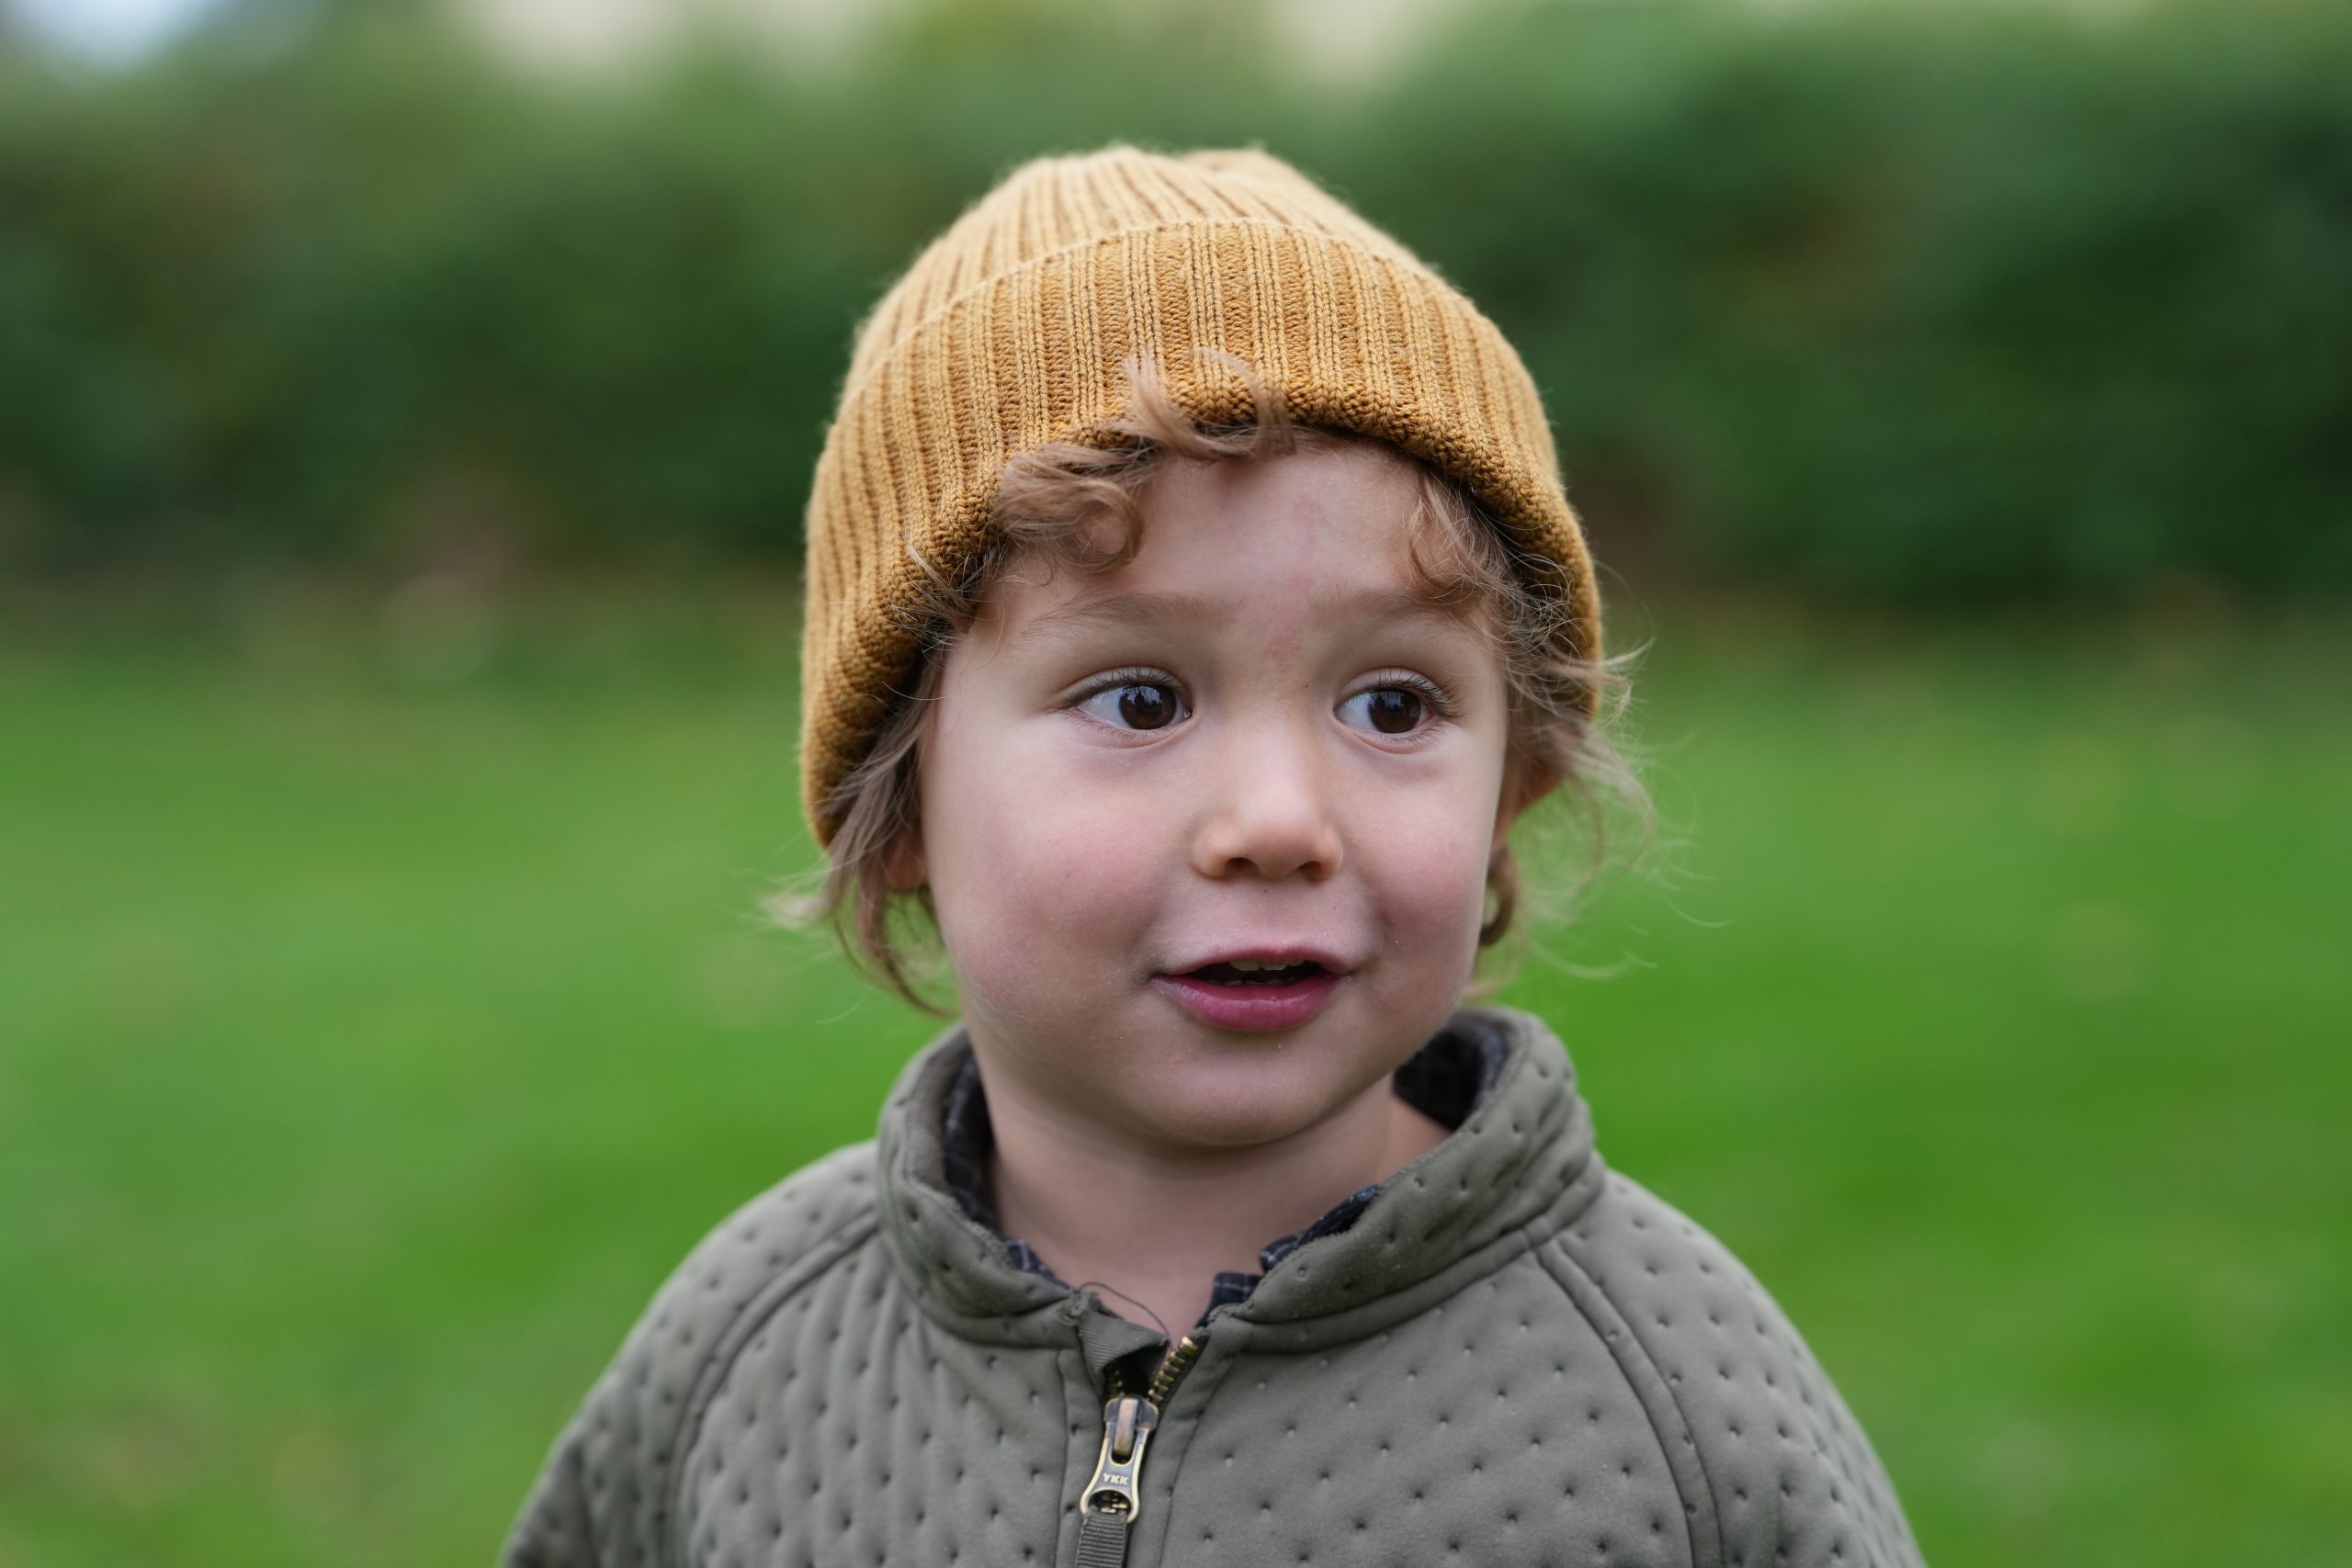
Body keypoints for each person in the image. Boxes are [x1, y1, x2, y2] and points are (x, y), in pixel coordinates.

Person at [503, 143, 1926, 1568]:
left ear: (1514, 787)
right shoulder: (744, 1361)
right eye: (1140, 700)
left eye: (1392, 705)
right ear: (900, 801)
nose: (1280, 821)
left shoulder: (1683, 1423)